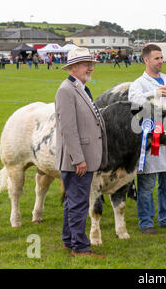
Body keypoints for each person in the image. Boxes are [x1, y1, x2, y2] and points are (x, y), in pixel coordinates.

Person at [55, 47, 107, 257]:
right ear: (74, 67)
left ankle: (69, 241)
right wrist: (78, 159)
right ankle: (80, 247)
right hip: (76, 159)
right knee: (78, 203)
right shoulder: (66, 90)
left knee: (72, 202)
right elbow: (68, 129)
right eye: (87, 64)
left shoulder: (80, 88)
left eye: (91, 64)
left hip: (82, 157)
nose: (91, 68)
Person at [128, 44, 166, 235]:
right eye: (156, 58)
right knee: (147, 186)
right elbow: (133, 102)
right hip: (151, 139)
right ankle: (146, 223)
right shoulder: (139, 83)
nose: (161, 61)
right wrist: (154, 93)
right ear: (146, 60)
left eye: (162, 58)